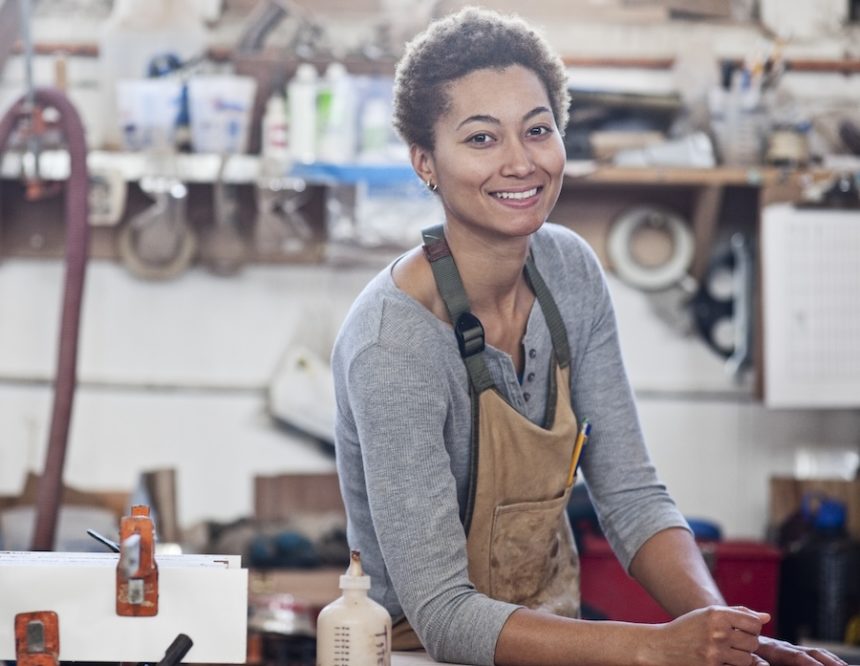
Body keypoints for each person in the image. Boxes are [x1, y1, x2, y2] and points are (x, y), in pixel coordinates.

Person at [331, 7, 846, 666]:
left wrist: (730, 639)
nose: (521, 162)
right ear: (425, 162)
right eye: (482, 138)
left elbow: (631, 498)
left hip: (556, 638)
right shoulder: (394, 344)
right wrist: (657, 648)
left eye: (537, 130)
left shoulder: (569, 271)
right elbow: (445, 617)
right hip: (414, 655)